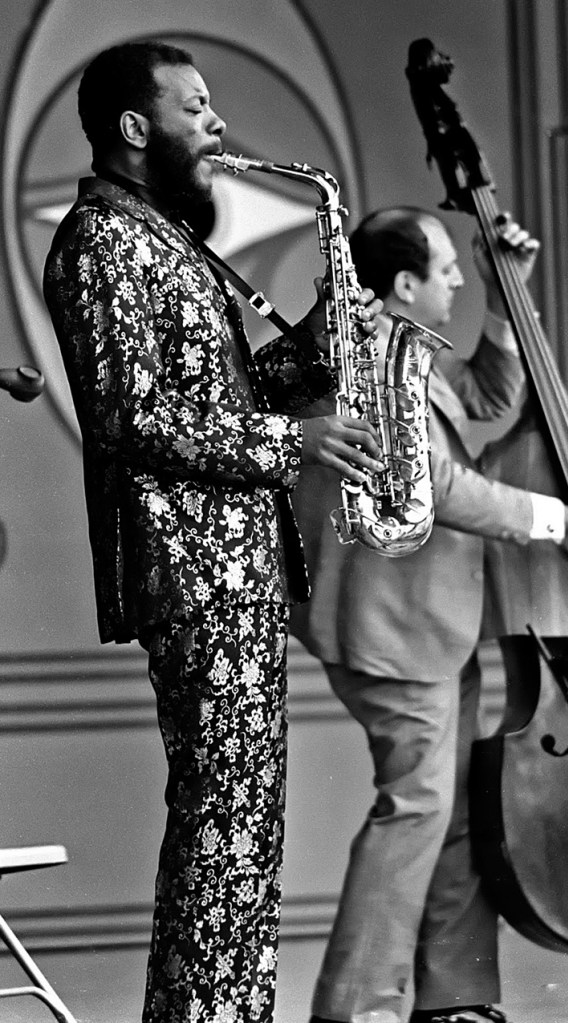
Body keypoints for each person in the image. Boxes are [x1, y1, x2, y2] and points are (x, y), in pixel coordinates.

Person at [42, 40, 384, 1023]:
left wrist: (320, 341)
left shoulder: (166, 237)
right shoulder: (103, 240)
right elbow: (129, 417)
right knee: (220, 831)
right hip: (194, 576)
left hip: (236, 575)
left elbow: (222, 397)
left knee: (244, 831)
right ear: (134, 129)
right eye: (195, 108)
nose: (217, 124)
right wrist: (295, 442)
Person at [289, 207, 568, 1023]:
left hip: (437, 621)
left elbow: (484, 393)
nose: (454, 280)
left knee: (446, 811)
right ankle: (354, 1009)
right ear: (402, 283)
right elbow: (436, 484)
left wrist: (500, 289)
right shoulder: (368, 354)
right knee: (415, 807)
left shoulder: (411, 352)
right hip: (391, 627)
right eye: (446, 270)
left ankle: (454, 999)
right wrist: (556, 518)